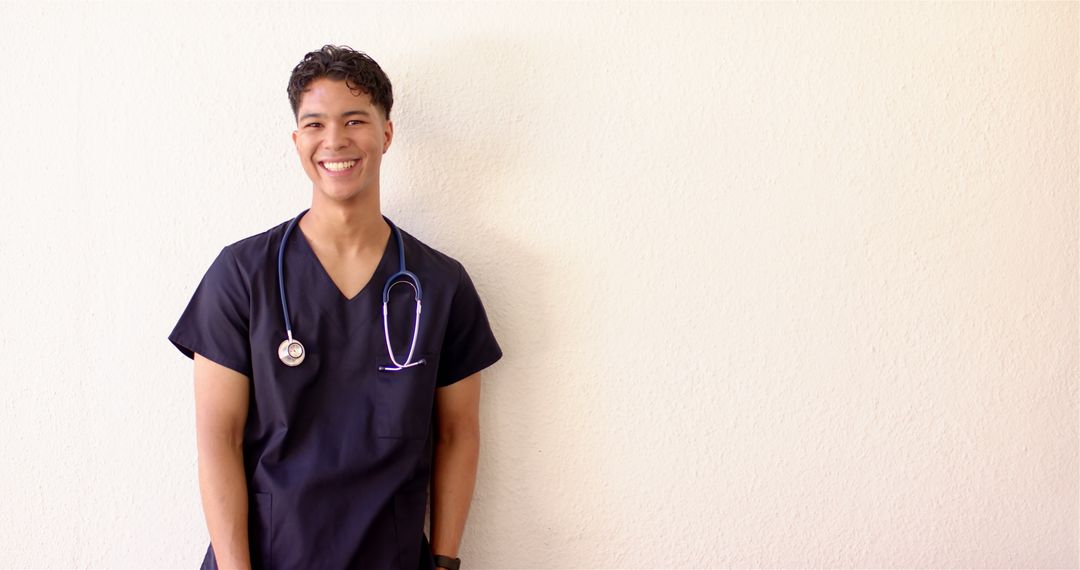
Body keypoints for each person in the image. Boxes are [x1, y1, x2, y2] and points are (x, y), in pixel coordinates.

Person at [168, 44, 503, 570]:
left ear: (386, 133)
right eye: (315, 124)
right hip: (269, 557)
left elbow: (458, 432)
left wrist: (444, 561)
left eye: (354, 120)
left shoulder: (441, 284)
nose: (335, 141)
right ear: (297, 139)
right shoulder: (242, 275)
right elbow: (218, 439)